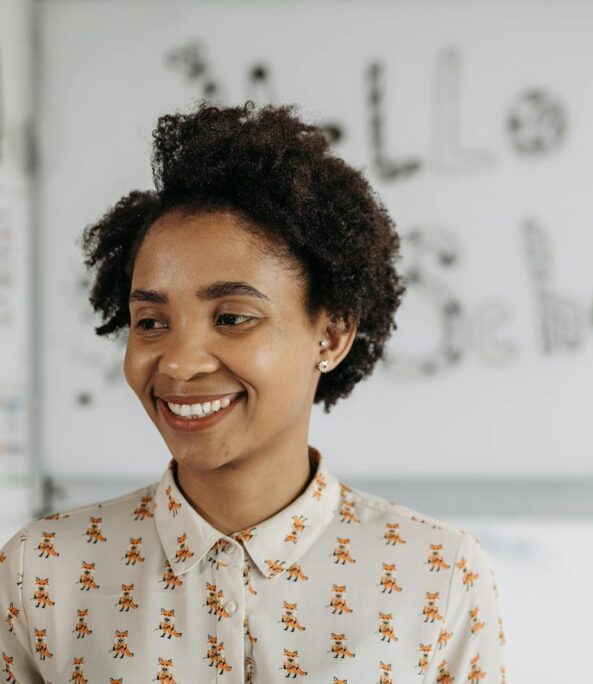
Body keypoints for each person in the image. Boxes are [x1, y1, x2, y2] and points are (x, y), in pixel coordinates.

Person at [0, 101, 508, 683]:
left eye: (233, 317)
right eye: (151, 322)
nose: (181, 363)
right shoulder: (41, 573)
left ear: (333, 333)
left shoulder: (436, 575)